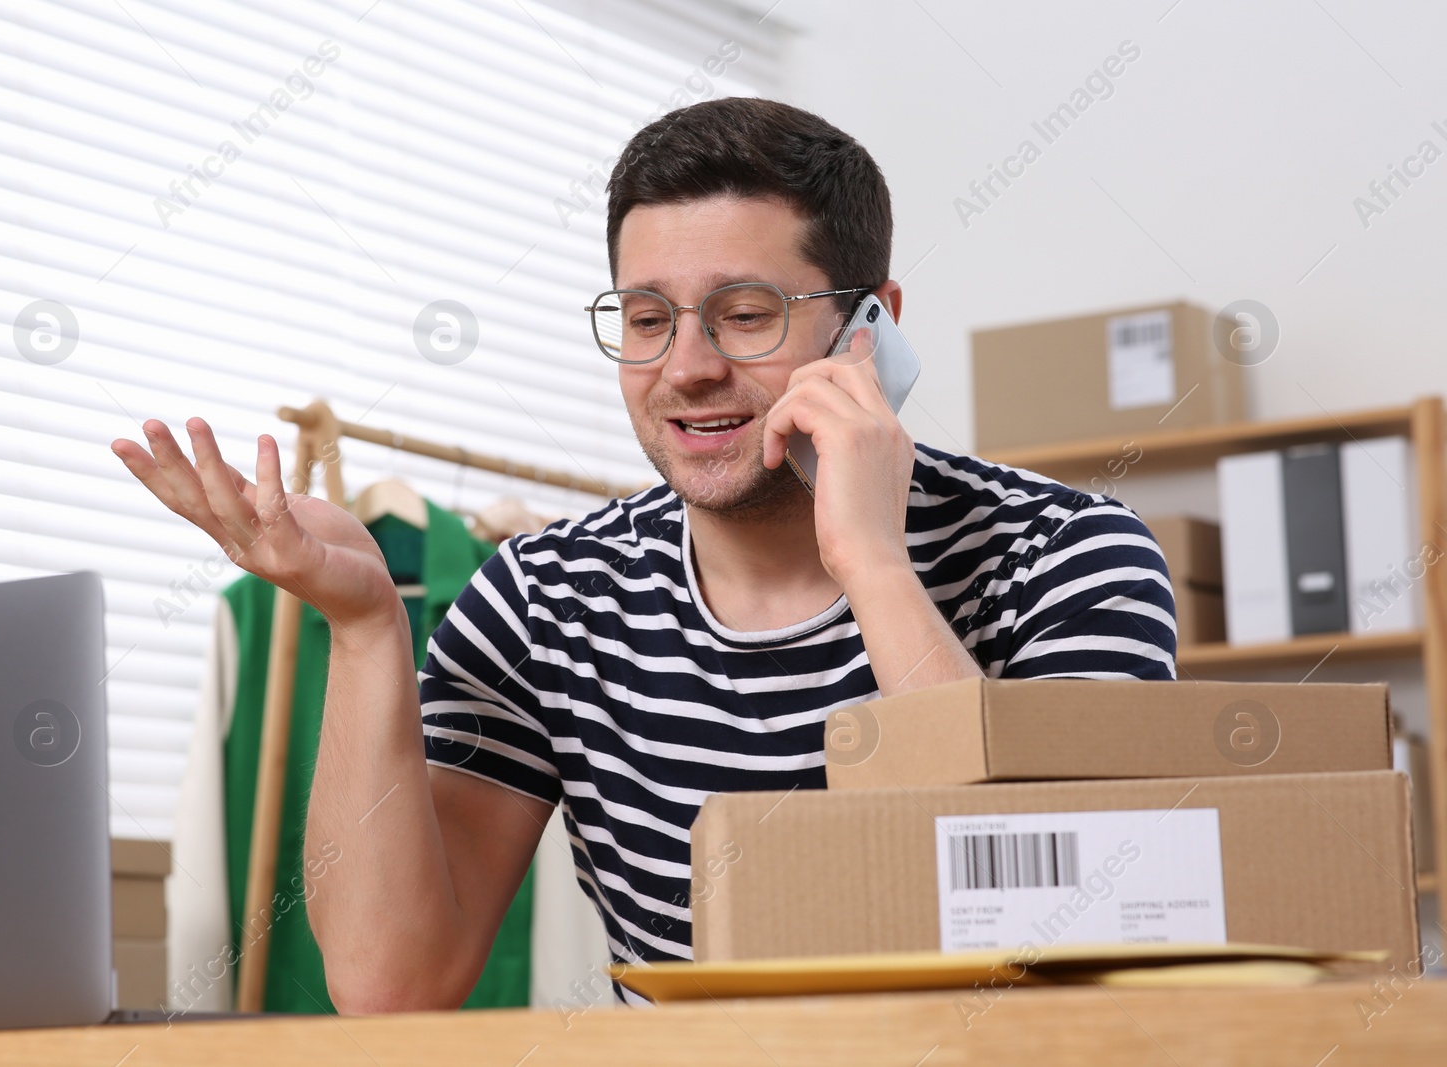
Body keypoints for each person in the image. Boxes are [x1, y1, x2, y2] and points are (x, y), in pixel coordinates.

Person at [111, 97, 1176, 1013]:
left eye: (746, 315)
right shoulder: (545, 598)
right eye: (647, 317)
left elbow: (1058, 933)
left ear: (871, 328)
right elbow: (392, 980)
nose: (687, 369)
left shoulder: (1068, 554)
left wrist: (873, 564)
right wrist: (362, 626)